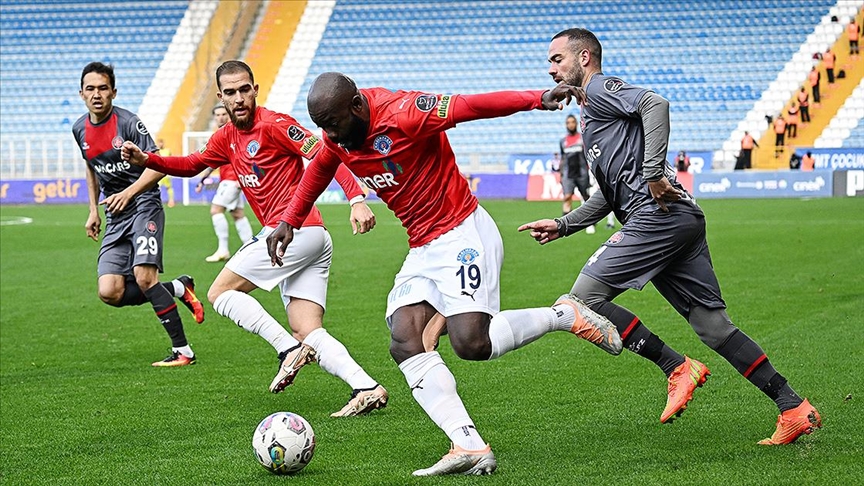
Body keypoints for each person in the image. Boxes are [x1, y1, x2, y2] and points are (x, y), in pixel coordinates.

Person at [268, 72, 622, 476]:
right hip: (422, 247)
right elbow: (318, 170)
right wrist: (289, 221)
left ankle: (564, 315)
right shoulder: (338, 138)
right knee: (405, 341)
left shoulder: (404, 113)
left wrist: (537, 97)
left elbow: (472, 106)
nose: (328, 134)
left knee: (471, 343)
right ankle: (468, 445)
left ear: (357, 106)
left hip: (462, 231)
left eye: (333, 123)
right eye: (322, 126)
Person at [519, 28, 820, 446]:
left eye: (557, 59)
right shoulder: (591, 116)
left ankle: (676, 367)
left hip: (657, 216)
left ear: (584, 57)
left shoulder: (601, 89)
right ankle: (793, 407)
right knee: (713, 328)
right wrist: (564, 223)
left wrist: (653, 173)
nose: (551, 68)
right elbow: (608, 195)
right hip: (676, 219)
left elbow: (655, 103)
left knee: (582, 300)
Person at [121, 61, 389, 416]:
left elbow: (328, 155)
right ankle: (366, 387)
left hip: (294, 232)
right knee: (307, 329)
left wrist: (356, 198)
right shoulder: (225, 138)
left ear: (255, 90)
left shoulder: (276, 125)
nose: (239, 98)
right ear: (221, 97)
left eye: (244, 89)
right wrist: (147, 159)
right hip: (308, 239)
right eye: (230, 92)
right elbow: (192, 164)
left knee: (219, 293)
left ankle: (286, 350)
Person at [73, 62, 204, 367]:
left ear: (113, 92)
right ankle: (178, 287)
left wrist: (129, 193)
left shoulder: (129, 123)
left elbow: (157, 165)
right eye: (90, 89)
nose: (96, 94)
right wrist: (93, 210)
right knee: (110, 291)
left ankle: (183, 351)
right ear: (81, 94)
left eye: (103, 88)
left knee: (145, 277)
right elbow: (91, 167)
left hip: (144, 204)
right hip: (115, 215)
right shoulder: (79, 128)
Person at [194, 104, 254, 262]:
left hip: (232, 180)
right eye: (218, 115)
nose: (221, 118)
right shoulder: (219, 135)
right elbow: (213, 163)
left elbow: (248, 155)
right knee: (237, 214)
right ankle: (251, 248)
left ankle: (223, 250)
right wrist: (202, 180)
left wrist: (243, 177)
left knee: (216, 210)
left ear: (229, 115)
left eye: (223, 114)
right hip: (230, 180)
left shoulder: (235, 132)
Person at [557, 114, 595, 233]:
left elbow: (588, 155)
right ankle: (565, 224)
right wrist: (561, 174)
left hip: (582, 173)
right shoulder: (563, 141)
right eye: (568, 123)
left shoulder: (582, 139)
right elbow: (563, 158)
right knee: (567, 196)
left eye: (572, 122)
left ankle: (592, 219)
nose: (571, 125)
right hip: (568, 174)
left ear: (576, 124)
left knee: (585, 196)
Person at [156, 139, 176, 207]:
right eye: (159, 143)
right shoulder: (157, 151)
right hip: (159, 173)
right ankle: (158, 201)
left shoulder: (167, 151)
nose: (160, 144)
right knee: (158, 187)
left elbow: (171, 160)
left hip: (166, 173)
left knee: (169, 187)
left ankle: (171, 201)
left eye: (161, 143)